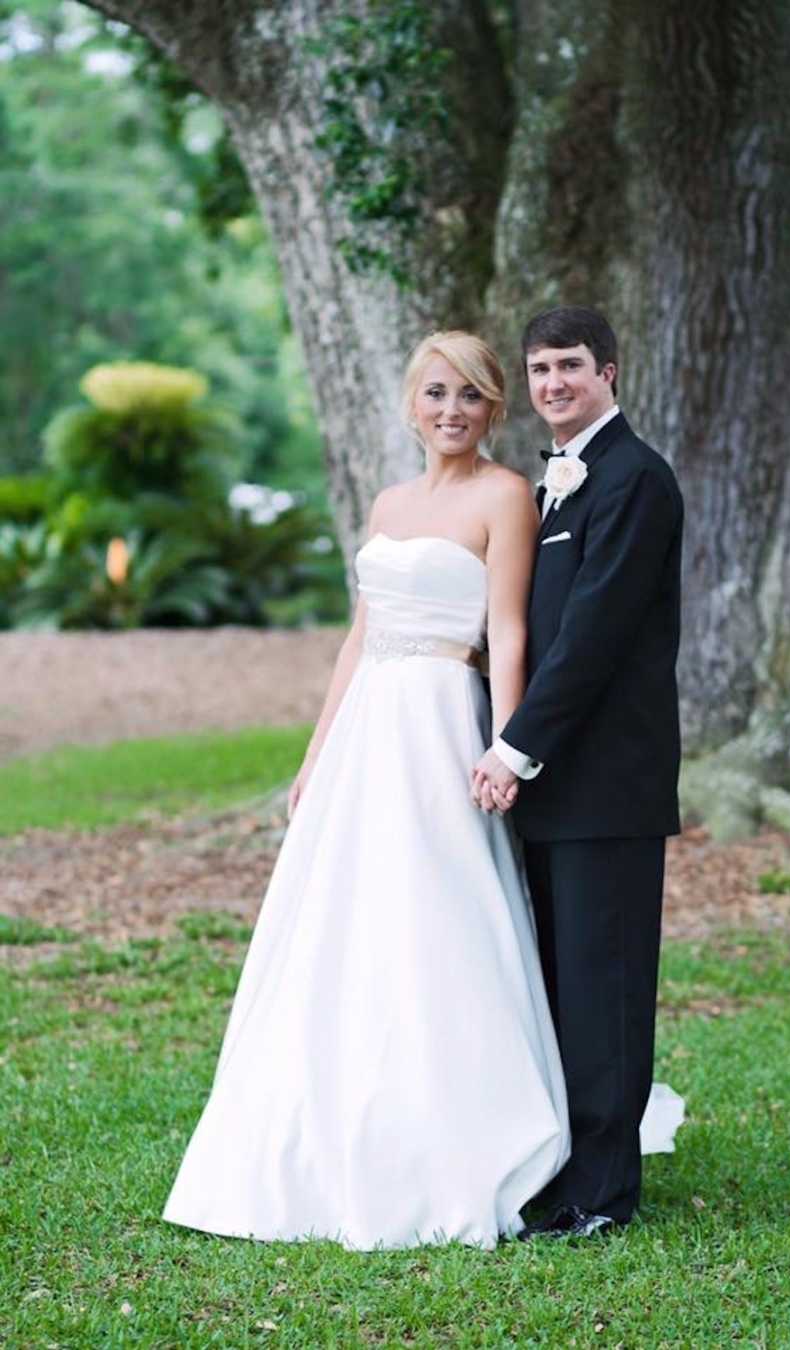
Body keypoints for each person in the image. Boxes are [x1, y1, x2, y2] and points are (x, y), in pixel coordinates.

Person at [162, 331, 571, 1250]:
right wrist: (315, 754)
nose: (451, 411)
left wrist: (507, 747)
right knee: (343, 913)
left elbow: (507, 630)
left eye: (469, 396)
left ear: (492, 408)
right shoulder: (388, 502)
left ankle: (459, 1126)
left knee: (438, 907)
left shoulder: (507, 498)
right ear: (410, 403)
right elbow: (358, 636)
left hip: (439, 717)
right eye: (435, 393)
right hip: (366, 732)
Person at [473, 305, 685, 1241]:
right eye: (540, 370)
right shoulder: (554, 484)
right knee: (557, 985)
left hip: (608, 786)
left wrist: (513, 746)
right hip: (553, 787)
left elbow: (592, 639)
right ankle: (566, 1169)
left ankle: (604, 1193)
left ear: (611, 372)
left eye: (570, 366)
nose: (553, 383)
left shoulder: (638, 479)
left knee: (604, 990)